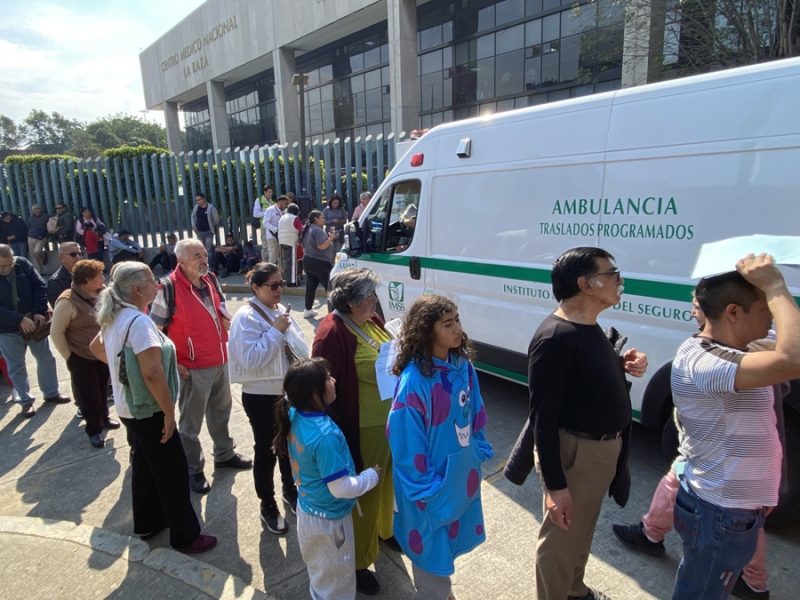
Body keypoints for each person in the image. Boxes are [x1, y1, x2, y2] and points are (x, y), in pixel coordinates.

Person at [612, 296, 776, 600]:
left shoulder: (741, 353)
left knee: (729, 534)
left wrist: (776, 289)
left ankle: (753, 581)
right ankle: (651, 532)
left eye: (698, 303)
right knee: (674, 485)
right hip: (712, 463)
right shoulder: (710, 352)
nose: (692, 307)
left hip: (725, 476)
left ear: (731, 311)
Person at [669, 253, 800, 600]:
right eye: (764, 310)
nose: (772, 318)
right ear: (733, 313)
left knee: (704, 586)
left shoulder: (736, 348)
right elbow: (795, 357)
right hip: (720, 513)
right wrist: (774, 284)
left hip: (731, 507)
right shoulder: (706, 362)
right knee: (701, 594)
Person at [528, 247, 647, 600]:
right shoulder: (554, 339)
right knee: (560, 542)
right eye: (612, 273)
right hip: (575, 455)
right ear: (587, 284)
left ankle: (575, 590)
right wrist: (555, 486)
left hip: (598, 455)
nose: (619, 280)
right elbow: (543, 419)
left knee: (581, 533)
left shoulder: (587, 327)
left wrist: (621, 363)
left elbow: (584, 375)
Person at [90, 261, 217, 554]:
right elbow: (152, 373)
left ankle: (147, 522)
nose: (157, 284)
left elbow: (96, 348)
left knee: (146, 466)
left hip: (128, 408)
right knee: (171, 473)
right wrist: (169, 412)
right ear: (137, 289)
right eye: (151, 280)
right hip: (149, 410)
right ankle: (186, 535)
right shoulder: (139, 323)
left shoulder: (114, 316)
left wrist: (122, 371)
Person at [388, 295, 494, 599]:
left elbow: (476, 410)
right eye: (447, 324)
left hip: (458, 477)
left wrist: (478, 448)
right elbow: (405, 443)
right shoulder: (414, 382)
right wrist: (427, 490)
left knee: (448, 547)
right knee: (431, 559)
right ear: (426, 331)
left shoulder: (462, 365)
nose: (457, 328)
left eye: (457, 320)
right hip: (428, 489)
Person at [311, 268, 395, 595]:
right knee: (366, 492)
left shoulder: (369, 320)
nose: (375, 301)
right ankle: (359, 562)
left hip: (388, 419)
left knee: (387, 482)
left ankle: (385, 533)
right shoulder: (332, 332)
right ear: (351, 302)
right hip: (361, 427)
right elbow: (322, 387)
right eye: (369, 297)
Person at [150, 239, 251, 495]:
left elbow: (222, 310)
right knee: (190, 423)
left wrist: (231, 325)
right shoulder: (168, 287)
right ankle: (193, 469)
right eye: (197, 255)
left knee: (221, 411)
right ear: (181, 261)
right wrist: (173, 364)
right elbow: (155, 331)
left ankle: (224, 454)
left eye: (204, 254)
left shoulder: (211, 280)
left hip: (219, 358)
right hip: (191, 366)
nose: (204, 259)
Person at [273, 357, 380, 600]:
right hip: (331, 524)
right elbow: (341, 488)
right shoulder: (325, 436)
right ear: (314, 393)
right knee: (337, 585)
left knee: (322, 576)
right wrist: (371, 476)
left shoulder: (294, 414)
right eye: (328, 379)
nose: (334, 380)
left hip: (308, 511)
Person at [228, 263, 306, 534]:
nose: (279, 290)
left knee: (288, 446)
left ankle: (290, 490)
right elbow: (250, 360)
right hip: (261, 397)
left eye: (282, 284)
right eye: (273, 286)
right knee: (266, 450)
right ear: (256, 288)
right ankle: (267, 504)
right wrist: (276, 331)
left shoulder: (280, 311)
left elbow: (300, 347)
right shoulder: (245, 317)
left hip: (287, 393)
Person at [50, 259, 117, 448]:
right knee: (89, 395)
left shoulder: (100, 293)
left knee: (103, 389)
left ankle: (104, 418)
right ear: (87, 280)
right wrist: (69, 356)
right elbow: (56, 332)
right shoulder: (67, 300)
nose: (103, 279)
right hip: (80, 356)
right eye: (98, 276)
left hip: (101, 353)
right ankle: (94, 429)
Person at [0, 244, 70, 418]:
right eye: (2, 266)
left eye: (9, 264)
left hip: (34, 322)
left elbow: (39, 286)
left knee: (46, 357)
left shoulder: (22, 264)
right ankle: (25, 401)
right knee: (16, 366)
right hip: (7, 328)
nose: (7, 269)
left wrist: (38, 311)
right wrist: (18, 319)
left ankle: (51, 392)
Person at [300, 210, 336, 319]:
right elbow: (321, 246)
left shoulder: (307, 229)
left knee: (310, 286)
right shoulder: (317, 230)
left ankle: (308, 309)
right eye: (322, 217)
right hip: (320, 262)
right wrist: (331, 238)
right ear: (315, 219)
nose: (324, 219)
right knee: (330, 288)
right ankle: (335, 312)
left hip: (308, 260)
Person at [47, 242, 82, 307]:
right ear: (61, 258)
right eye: (73, 254)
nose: (78, 257)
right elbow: (60, 308)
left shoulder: (87, 274)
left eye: (80, 254)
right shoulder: (55, 282)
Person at [278, 203, 302, 286]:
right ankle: (292, 282)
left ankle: (283, 279)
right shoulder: (295, 218)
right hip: (291, 241)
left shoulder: (282, 217)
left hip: (281, 241)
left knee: (283, 262)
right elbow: (300, 229)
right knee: (292, 263)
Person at [262, 194, 288, 264]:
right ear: (281, 202)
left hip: (281, 236)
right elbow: (265, 223)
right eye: (286, 203)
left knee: (281, 256)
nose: (286, 205)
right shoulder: (270, 210)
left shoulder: (284, 211)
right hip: (272, 236)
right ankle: (270, 273)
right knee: (273, 255)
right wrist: (276, 230)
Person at [323, 194, 347, 258]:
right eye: (334, 203)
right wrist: (332, 221)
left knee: (339, 250)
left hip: (340, 231)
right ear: (331, 202)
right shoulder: (326, 210)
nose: (336, 205)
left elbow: (345, 220)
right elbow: (323, 221)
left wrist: (340, 221)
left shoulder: (341, 209)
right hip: (329, 232)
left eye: (337, 203)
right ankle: (330, 265)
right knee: (331, 250)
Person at [27, 204, 49, 273]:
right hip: (31, 237)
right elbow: (29, 226)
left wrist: (46, 235)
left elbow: (50, 227)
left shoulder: (46, 216)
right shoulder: (31, 218)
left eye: (37, 208)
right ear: (32, 211)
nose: (36, 210)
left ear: (40, 209)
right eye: (34, 209)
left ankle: (43, 255)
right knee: (33, 255)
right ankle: (40, 271)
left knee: (36, 252)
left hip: (41, 237)